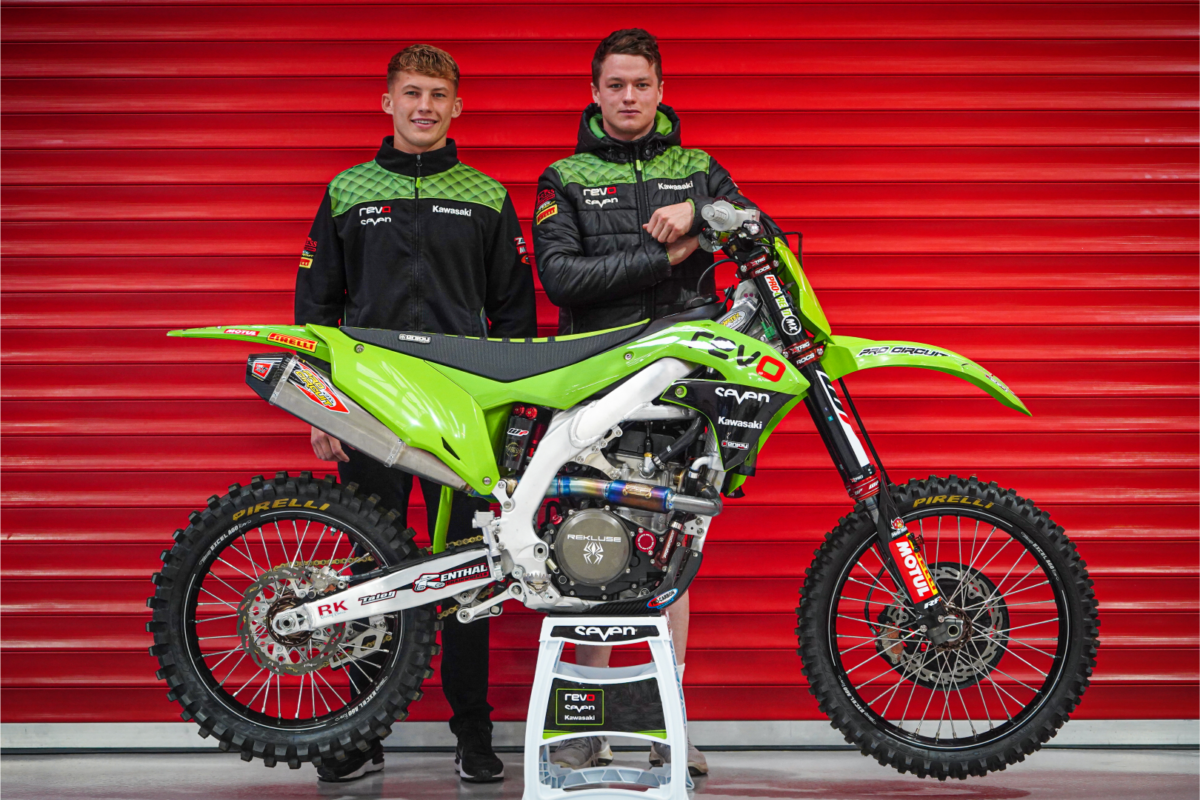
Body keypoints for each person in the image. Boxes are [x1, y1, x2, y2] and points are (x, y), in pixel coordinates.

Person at [532, 27, 777, 778]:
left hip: (684, 385)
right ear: (595, 93)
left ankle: (669, 724)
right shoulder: (563, 177)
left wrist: (701, 216)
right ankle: (583, 731)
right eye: (616, 85)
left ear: (661, 90)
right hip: (595, 381)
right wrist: (668, 253)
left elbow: (762, 234)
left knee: (673, 556)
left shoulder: (699, 169)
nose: (629, 97)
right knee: (587, 551)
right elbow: (561, 279)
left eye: (641, 84)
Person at [295, 43, 537, 783]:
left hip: (464, 414)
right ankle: (361, 732)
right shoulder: (348, 191)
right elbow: (315, 311)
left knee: (468, 570)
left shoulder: (486, 195)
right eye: (411, 93)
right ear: (388, 103)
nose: (424, 107)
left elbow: (516, 318)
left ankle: (473, 733)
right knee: (370, 569)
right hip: (370, 408)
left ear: (457, 106)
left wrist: (514, 418)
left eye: (437, 95)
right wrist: (321, 408)